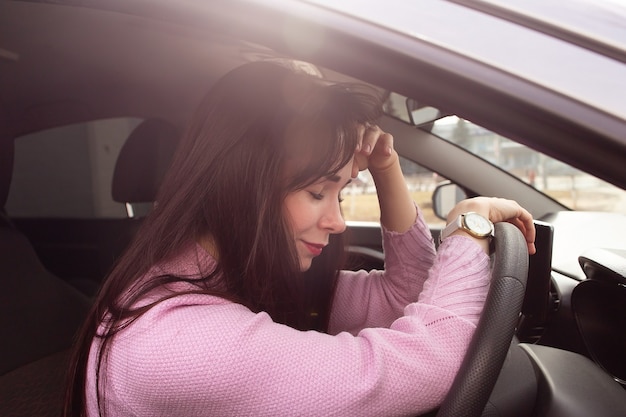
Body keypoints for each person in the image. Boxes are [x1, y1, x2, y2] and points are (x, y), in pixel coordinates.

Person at [63, 61, 536, 417]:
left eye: (341, 192)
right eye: (316, 192)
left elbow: (402, 296)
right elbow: (434, 363)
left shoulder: (237, 274)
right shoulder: (178, 341)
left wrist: (386, 168)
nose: (336, 222)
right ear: (244, 184)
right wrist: (469, 225)